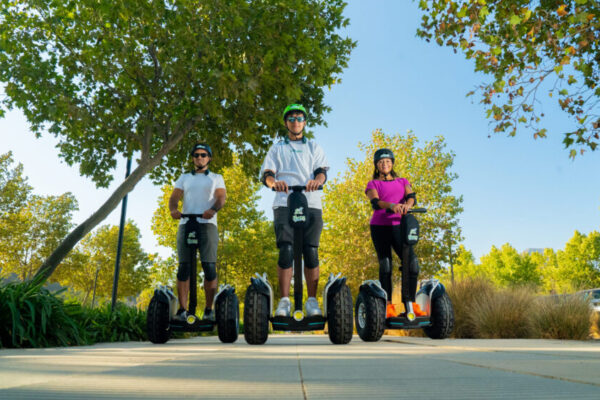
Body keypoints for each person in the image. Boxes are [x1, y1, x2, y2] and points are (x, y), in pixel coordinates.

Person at [260, 104, 329, 317]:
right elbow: (267, 174)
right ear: (286, 123)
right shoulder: (277, 148)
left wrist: (316, 182)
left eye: (300, 118)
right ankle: (283, 301)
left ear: (305, 122)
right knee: (286, 251)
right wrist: (274, 184)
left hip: (311, 203)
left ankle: (311, 301)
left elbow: (321, 173)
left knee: (311, 251)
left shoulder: (314, 147)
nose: (296, 122)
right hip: (284, 202)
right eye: (291, 118)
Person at [169, 143, 226, 321]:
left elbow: (221, 197)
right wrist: (173, 209)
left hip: (207, 224)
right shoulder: (184, 177)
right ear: (193, 158)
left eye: (203, 155)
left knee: (209, 267)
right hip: (186, 223)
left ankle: (209, 310)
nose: (199, 158)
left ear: (209, 158)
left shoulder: (216, 177)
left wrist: (213, 210)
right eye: (196, 155)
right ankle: (183, 310)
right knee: (184, 268)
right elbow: (175, 197)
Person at [365, 148, 425, 318]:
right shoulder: (373, 184)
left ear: (392, 163)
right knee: (386, 265)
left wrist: (408, 206)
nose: (385, 164)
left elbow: (411, 196)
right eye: (381, 162)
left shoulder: (402, 181)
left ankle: (411, 304)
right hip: (380, 227)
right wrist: (392, 206)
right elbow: (376, 203)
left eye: (388, 161)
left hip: (400, 226)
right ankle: (388, 305)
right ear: (377, 165)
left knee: (412, 263)